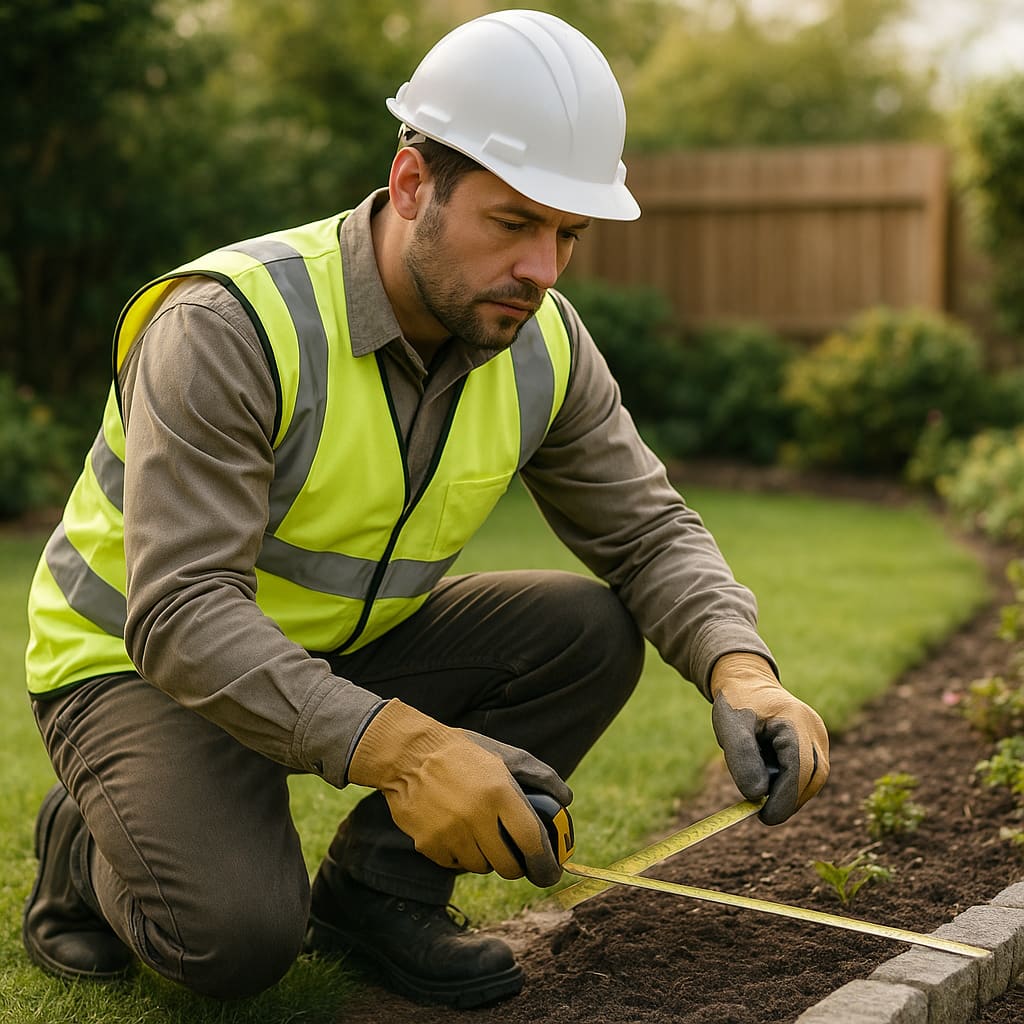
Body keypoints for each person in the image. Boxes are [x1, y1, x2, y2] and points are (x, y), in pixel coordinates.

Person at [22, 8, 829, 1010]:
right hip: (138, 664)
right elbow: (182, 613)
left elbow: (647, 528)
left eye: (567, 234)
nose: (543, 268)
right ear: (413, 186)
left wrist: (742, 672)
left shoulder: (540, 339)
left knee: (584, 629)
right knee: (232, 940)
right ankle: (85, 832)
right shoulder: (228, 325)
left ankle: (376, 895)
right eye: (514, 222)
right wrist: (414, 750)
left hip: (332, 648)